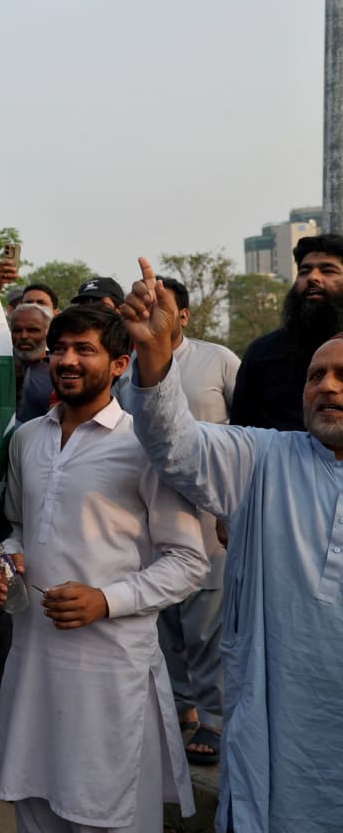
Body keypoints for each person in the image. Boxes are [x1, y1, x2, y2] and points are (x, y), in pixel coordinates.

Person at [119, 257, 343, 833]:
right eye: (316, 376)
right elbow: (174, 444)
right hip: (277, 728)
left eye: (342, 376)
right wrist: (155, 355)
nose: (326, 387)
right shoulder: (265, 457)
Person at [0, 304, 207, 833]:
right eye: (59, 349)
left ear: (120, 364)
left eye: (84, 349)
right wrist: (6, 561)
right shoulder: (26, 438)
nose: (67, 360)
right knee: (33, 805)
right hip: (33, 660)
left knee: (106, 812)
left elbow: (188, 560)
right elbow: (18, 527)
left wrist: (106, 600)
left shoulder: (146, 444)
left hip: (108, 670)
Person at [148, 276, 239, 765]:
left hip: (210, 512)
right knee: (165, 622)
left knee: (206, 626)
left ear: (183, 316)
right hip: (152, 510)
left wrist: (231, 506)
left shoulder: (218, 360)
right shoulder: (135, 366)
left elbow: (247, 429)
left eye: (165, 307)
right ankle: (180, 707)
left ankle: (214, 718)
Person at [230, 233, 343, 430]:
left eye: (327, 270)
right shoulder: (263, 353)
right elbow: (241, 433)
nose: (313, 278)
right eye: (304, 271)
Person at [11, 301, 54, 422]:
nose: (24, 336)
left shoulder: (59, 369)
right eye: (17, 330)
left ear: (47, 332)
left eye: (32, 330)